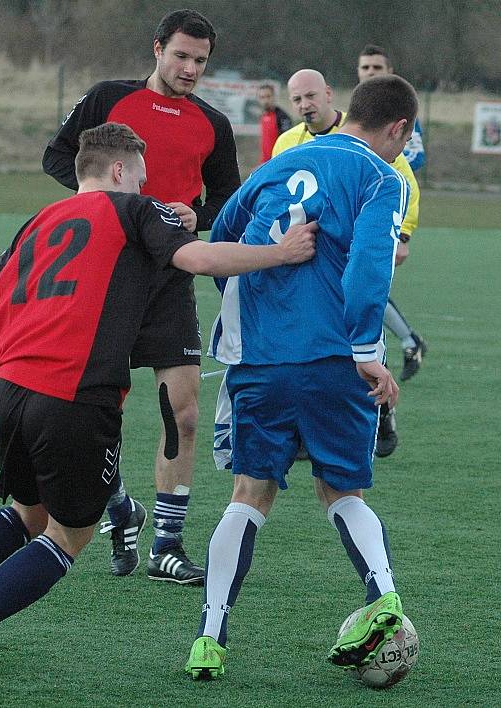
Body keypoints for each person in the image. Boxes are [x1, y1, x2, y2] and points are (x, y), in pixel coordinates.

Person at [0, 123, 317, 669]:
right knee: (67, 538)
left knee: (25, 514)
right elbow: (199, 260)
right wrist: (280, 252)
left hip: (10, 393)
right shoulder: (136, 210)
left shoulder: (36, 223)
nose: (145, 187)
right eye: (141, 177)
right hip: (75, 399)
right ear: (118, 171)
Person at [185, 75, 417, 681]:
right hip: (334, 358)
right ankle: (385, 601)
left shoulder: (278, 164)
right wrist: (368, 351)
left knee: (248, 495)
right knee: (342, 492)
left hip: (259, 362)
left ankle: (210, 636)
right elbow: (369, 265)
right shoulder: (381, 177)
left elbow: (224, 242)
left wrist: (261, 310)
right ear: (398, 129)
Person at [43, 9, 240, 585]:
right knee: (97, 409)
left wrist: (195, 213)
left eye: (200, 61)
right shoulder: (108, 99)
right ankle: (119, 504)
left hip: (171, 272)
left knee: (181, 410)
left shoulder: (214, 124)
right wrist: (110, 203)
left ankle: (167, 546)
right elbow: (59, 158)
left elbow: (228, 204)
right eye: (181, 56)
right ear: (157, 49)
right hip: (104, 269)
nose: (190, 69)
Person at [269, 69, 421, 458]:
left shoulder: (382, 156)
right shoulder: (287, 143)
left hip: (347, 258)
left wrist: (400, 234)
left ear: (330, 95)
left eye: (310, 96)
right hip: (300, 266)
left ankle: (378, 415)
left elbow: (403, 187)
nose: (305, 105)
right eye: (297, 99)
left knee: (358, 322)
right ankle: (314, 432)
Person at [358, 44, 428, 384]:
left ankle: (393, 349)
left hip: (386, 215)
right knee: (358, 285)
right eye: (365, 68)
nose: (370, 73)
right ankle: (407, 341)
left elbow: (412, 169)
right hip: (357, 216)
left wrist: (404, 233)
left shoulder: (404, 119)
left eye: (377, 67)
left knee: (365, 286)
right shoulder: (353, 118)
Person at [257, 82, 292, 164]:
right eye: (262, 97)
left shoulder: (282, 117)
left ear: (274, 97)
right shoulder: (263, 116)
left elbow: (287, 142)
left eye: (268, 96)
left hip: (277, 162)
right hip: (265, 163)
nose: (266, 100)